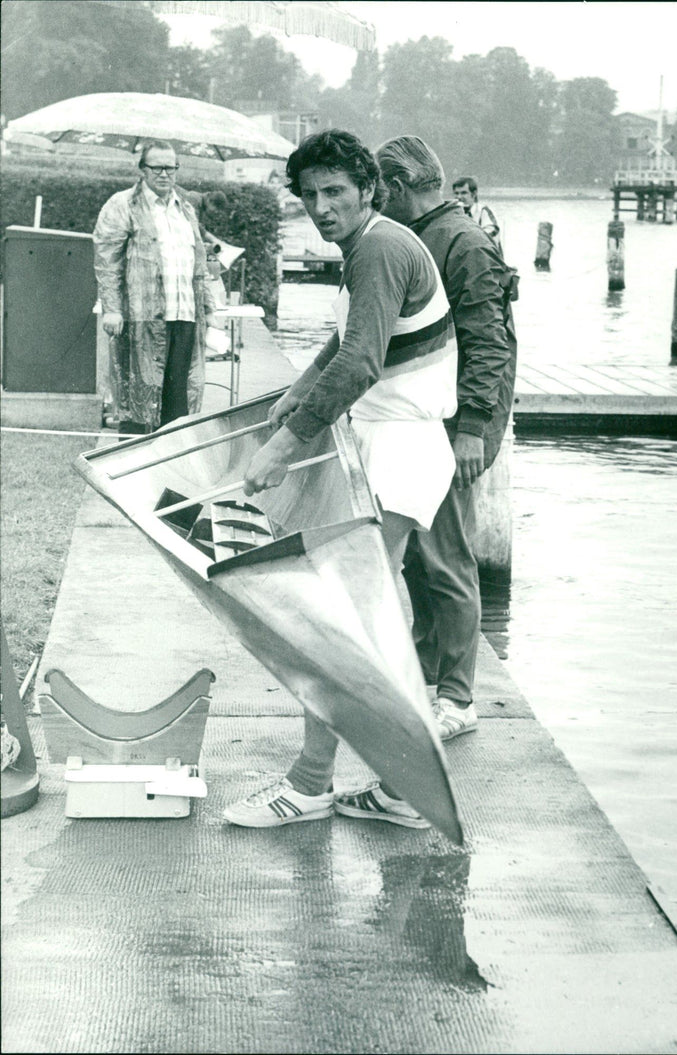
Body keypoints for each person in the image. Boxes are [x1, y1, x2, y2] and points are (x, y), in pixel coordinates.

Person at [223, 129, 459, 831]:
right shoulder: (371, 243)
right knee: (364, 621)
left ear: (367, 190)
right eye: (310, 195)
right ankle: (395, 786)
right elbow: (351, 338)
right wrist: (300, 386)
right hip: (389, 441)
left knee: (336, 622)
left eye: (336, 192)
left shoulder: (381, 247)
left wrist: (279, 449)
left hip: (400, 447)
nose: (322, 207)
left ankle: (311, 783)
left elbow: (360, 366)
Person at [377, 136, 517, 741]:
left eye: (378, 191)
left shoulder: (463, 243)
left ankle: (459, 697)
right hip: (425, 417)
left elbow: (491, 346)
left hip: (454, 423)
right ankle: (428, 663)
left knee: (447, 555)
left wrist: (472, 432)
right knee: (418, 551)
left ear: (399, 187)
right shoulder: (430, 236)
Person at [93, 140, 216, 434]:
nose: (165, 174)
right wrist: (112, 309)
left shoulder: (185, 209)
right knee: (139, 403)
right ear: (142, 169)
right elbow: (106, 261)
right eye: (157, 167)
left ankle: (171, 473)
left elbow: (198, 264)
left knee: (178, 409)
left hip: (185, 318)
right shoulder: (122, 205)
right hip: (141, 319)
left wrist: (208, 309)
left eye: (171, 168)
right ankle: (132, 474)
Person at [452, 176, 502, 252]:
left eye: (464, 193)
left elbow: (492, 230)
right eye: (456, 193)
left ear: (474, 193)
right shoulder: (453, 213)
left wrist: (469, 238)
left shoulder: (483, 211)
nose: (459, 197)